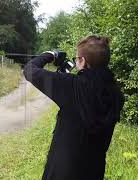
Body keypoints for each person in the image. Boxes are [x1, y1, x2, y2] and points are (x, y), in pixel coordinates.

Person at [23, 35, 125, 180]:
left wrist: (50, 55)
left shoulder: (72, 85)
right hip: (94, 170)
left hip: (63, 171)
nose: (76, 61)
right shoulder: (117, 95)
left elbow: (30, 70)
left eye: (77, 58)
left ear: (82, 61)